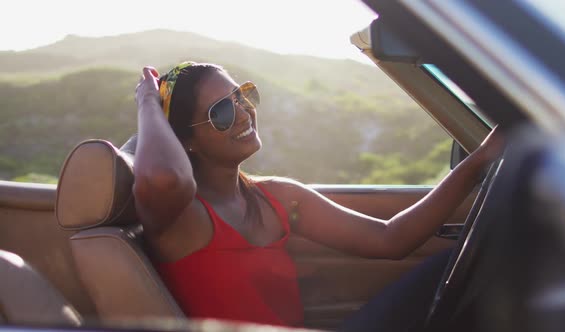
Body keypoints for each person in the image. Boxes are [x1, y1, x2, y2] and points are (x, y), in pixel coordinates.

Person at [132, 61, 503, 331]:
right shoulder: (182, 218)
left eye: (242, 96)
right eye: (223, 112)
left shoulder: (276, 197)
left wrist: (480, 161)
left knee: (468, 264)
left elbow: (390, 239)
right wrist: (148, 101)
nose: (244, 113)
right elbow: (162, 177)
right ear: (186, 141)